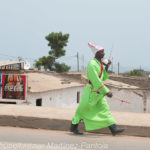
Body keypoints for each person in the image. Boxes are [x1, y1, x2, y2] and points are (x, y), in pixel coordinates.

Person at [70, 42, 124, 136]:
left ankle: (113, 128)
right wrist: (107, 91)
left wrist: (107, 66)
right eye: (102, 52)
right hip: (91, 92)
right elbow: (96, 81)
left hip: (98, 93)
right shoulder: (92, 64)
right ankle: (73, 127)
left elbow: (103, 78)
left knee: (105, 109)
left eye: (103, 52)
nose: (104, 54)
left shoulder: (99, 64)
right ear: (97, 53)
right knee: (82, 110)